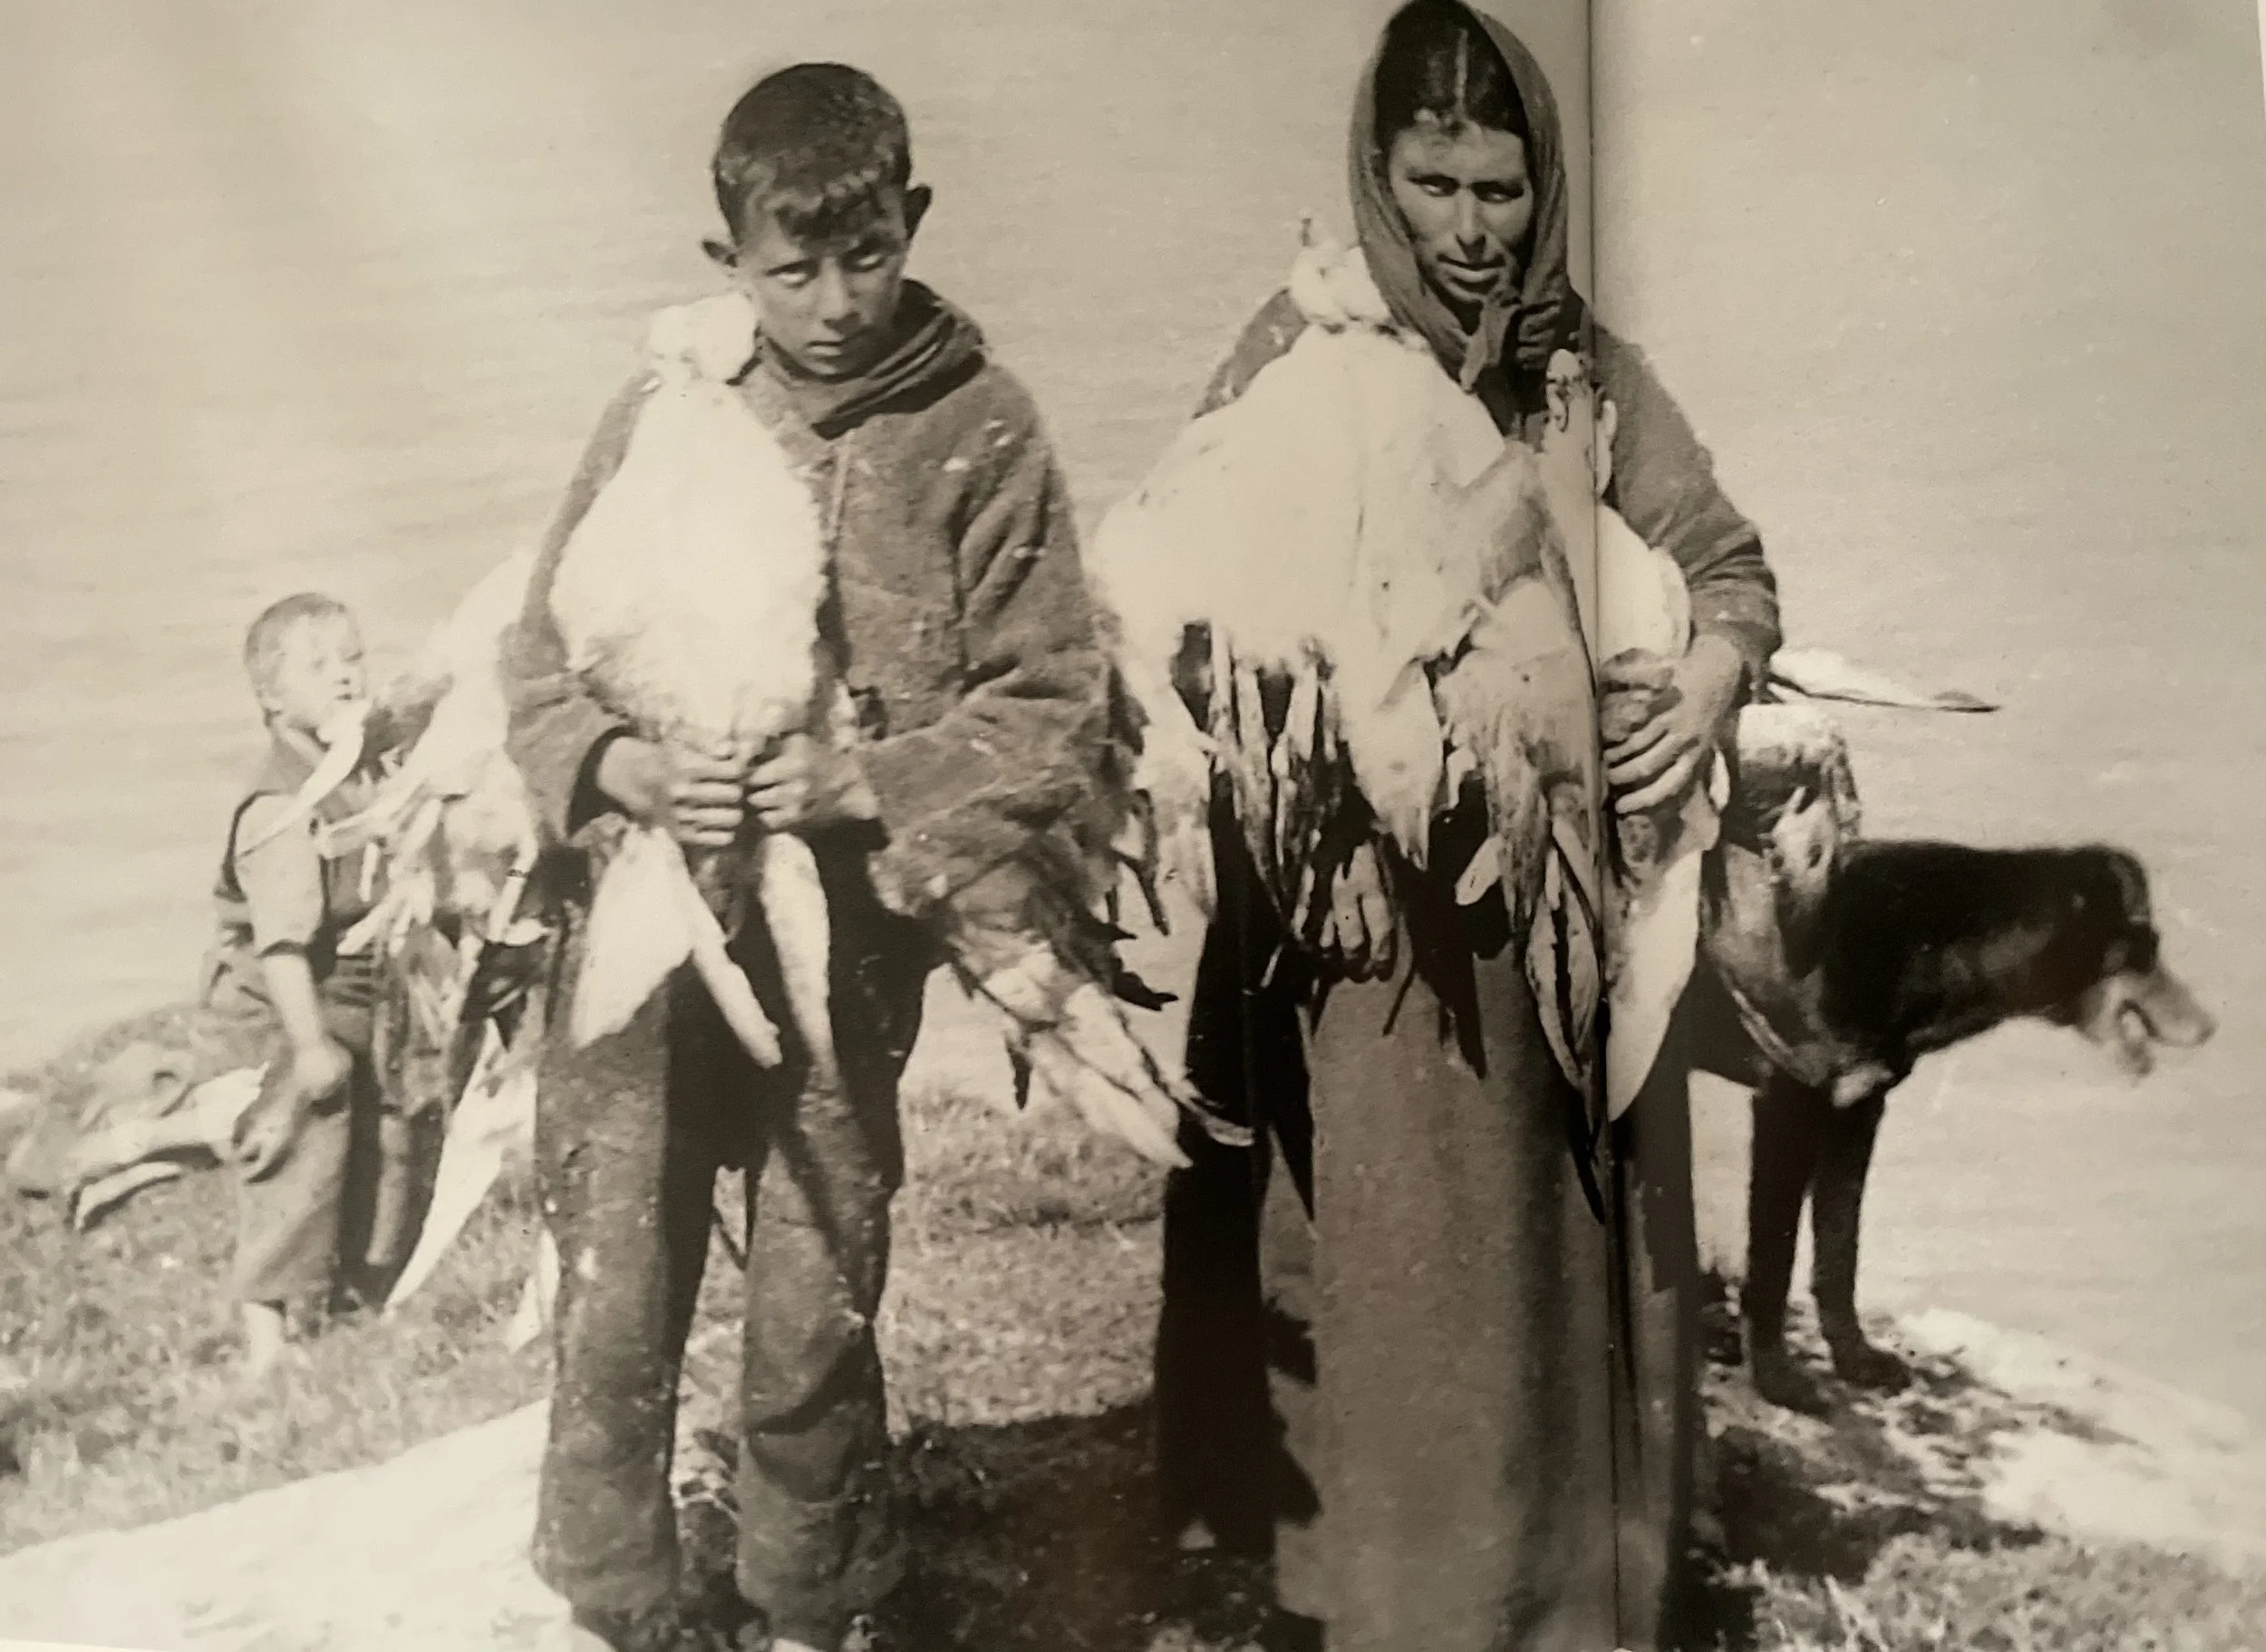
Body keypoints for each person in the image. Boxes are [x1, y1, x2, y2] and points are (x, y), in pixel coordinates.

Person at [1147, 4, 1782, 1649]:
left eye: (1502, 186)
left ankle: (1571, 1604)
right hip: (1372, 951)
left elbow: (1730, 564)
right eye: (1435, 184)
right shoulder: (1291, 360)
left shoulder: (1581, 362)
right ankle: (1392, 1602)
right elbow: (1195, 614)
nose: (1473, 229)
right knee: (1402, 1279)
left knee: (1561, 1276)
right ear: (1378, 172)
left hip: (1563, 938)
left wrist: (1709, 678)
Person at [501, 63, 1110, 1652]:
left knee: (812, 1280)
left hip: (842, 948)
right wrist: (627, 764)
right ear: (728, 264)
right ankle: (619, 1594)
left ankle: (809, 1595)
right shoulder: (671, 401)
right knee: (617, 1274)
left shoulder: (983, 428)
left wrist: (856, 778)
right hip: (634, 939)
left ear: (913, 221)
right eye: (789, 269)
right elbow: (535, 656)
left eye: (867, 257)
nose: (834, 304)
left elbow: (1050, 704)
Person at [205, 593, 419, 1378]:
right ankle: (266, 1333)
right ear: (271, 697)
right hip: (293, 998)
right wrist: (307, 1045)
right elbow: (282, 941)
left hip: (362, 991)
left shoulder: (360, 767)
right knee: (300, 1147)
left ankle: (360, 1294)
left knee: (387, 1140)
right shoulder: (281, 802)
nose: (344, 676)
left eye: (354, 658)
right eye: (319, 665)